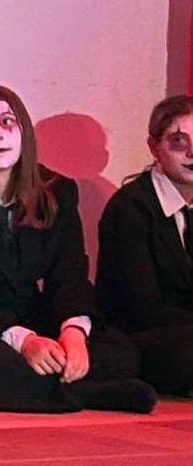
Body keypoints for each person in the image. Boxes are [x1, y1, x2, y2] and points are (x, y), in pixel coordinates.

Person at [0, 85, 155, 413]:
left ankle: (45, 387)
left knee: (120, 351)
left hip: (31, 317)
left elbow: (69, 274)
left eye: (7, 122)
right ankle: (82, 394)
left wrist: (73, 331)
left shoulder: (57, 190)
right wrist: (21, 340)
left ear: (24, 133)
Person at [96, 94, 193, 397]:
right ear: (154, 146)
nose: (192, 152)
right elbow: (144, 307)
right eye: (179, 141)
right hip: (141, 335)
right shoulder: (129, 208)